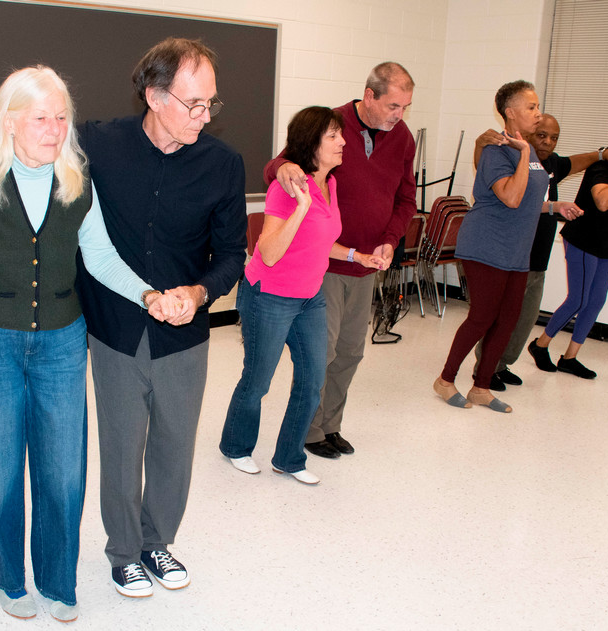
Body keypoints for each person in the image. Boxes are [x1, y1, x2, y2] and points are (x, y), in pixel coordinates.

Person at [0, 39, 247, 599]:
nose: (204, 115)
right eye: (193, 103)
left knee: (156, 450)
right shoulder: (96, 144)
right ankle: (99, 559)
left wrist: (189, 292)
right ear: (155, 96)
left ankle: (138, 550)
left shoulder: (209, 165)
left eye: (211, 103)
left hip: (154, 329)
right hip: (90, 329)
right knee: (91, 451)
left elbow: (219, 253)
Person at [264, 62, 416, 460]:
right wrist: (284, 167)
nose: (400, 115)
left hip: (368, 263)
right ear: (369, 96)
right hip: (326, 263)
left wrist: (390, 240)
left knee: (350, 351)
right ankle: (309, 430)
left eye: (405, 107)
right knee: (322, 353)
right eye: (394, 105)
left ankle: (330, 425)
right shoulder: (332, 124)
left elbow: (406, 199)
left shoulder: (402, 137)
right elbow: (275, 167)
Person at [220, 107, 379, 486]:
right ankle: (236, 447)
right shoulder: (286, 188)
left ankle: (289, 458)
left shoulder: (330, 184)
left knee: (311, 381)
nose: (343, 142)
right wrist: (301, 207)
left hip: (310, 297)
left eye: (341, 134)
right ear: (311, 143)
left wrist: (356, 256)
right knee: (257, 381)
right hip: (269, 297)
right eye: (333, 136)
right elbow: (269, 252)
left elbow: (320, 240)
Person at [471, 115, 608, 390]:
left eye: (554, 138)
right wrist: (479, 145)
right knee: (502, 318)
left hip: (538, 260)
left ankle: (501, 364)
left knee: (525, 320)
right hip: (514, 256)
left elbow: (576, 161)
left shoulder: (552, 164)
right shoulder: (516, 160)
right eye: (542, 136)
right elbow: (484, 170)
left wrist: (602, 154)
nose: (548, 142)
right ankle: (485, 367)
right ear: (528, 133)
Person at [432, 80, 549, 414]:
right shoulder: (497, 150)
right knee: (482, 317)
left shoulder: (527, 150)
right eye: (531, 107)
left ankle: (481, 387)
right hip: (486, 245)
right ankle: (445, 380)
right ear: (510, 112)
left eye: (538, 106)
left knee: (507, 320)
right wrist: (523, 153)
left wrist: (555, 206)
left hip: (516, 250)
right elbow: (511, 197)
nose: (538, 113)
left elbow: (529, 199)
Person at [528, 110, 608, 379]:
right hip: (584, 239)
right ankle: (540, 344)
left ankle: (570, 357)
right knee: (578, 299)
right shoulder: (604, 165)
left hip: (607, 242)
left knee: (595, 301)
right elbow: (603, 202)